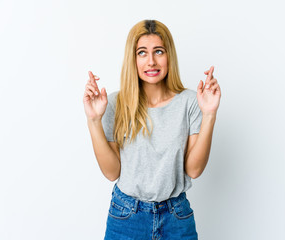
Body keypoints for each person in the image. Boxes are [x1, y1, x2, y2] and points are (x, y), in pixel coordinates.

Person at [83, 19, 221, 240]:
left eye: (158, 51)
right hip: (126, 217)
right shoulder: (114, 104)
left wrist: (209, 114)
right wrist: (93, 120)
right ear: (133, 58)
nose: (151, 62)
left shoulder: (191, 102)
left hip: (176, 217)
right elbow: (112, 172)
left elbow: (194, 170)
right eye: (142, 53)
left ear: (169, 56)